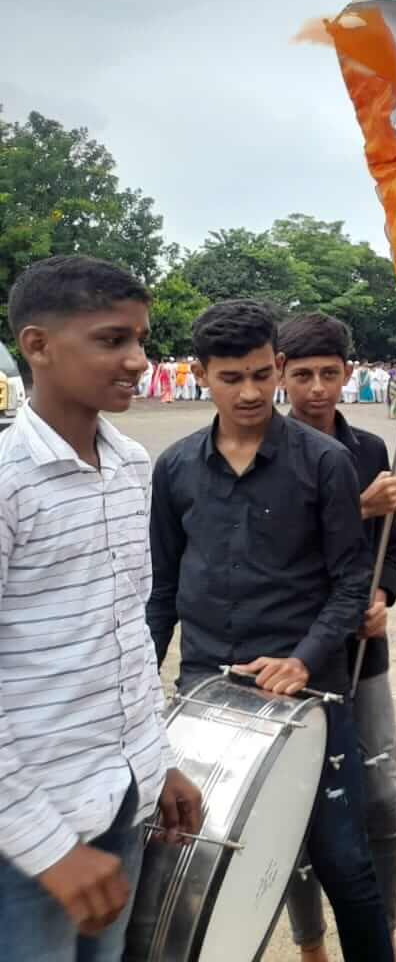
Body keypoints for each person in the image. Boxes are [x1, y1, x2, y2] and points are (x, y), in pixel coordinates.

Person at [146, 300, 393, 960]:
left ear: (277, 366)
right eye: (231, 378)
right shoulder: (173, 468)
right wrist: (141, 694)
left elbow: (350, 581)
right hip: (206, 693)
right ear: (201, 375)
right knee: (201, 874)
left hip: (307, 698)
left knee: (346, 866)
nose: (251, 392)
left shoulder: (325, 462)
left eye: (261, 373)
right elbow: (162, 591)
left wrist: (305, 660)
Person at [0, 257, 204, 961]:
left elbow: (124, 631)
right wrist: (49, 850)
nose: (137, 360)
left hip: (121, 799)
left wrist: (155, 762)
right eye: (111, 340)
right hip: (26, 832)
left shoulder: (130, 467)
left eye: (141, 340)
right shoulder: (6, 484)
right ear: (37, 345)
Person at [277, 314, 396, 961]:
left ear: (349, 375)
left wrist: (382, 594)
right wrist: (358, 506)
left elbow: (388, 553)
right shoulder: (263, 455)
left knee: (381, 798)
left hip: (365, 648)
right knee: (298, 809)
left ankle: (380, 928)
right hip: (296, 655)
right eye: (302, 374)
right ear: (280, 374)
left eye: (330, 373)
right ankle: (310, 943)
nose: (317, 388)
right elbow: (272, 553)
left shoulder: (370, 452)